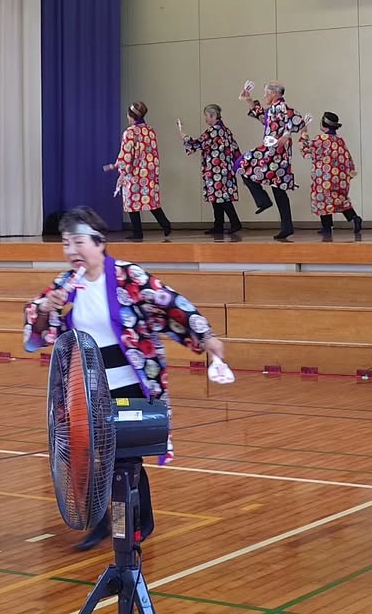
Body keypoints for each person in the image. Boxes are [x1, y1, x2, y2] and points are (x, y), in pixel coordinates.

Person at [24, 207, 235, 550]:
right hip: (87, 386)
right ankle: (100, 522)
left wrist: (206, 336)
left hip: (128, 384)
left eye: (78, 242)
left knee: (122, 457)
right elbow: (37, 325)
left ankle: (135, 524)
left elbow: (172, 302)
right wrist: (47, 308)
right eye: (65, 244)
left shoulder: (127, 275)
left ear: (99, 242)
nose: (71, 250)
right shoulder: (65, 285)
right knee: (84, 454)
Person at [236, 81, 307, 242]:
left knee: (242, 164)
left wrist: (287, 136)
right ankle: (284, 224)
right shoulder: (274, 109)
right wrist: (248, 100)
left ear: (274, 93)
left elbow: (301, 124)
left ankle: (264, 201)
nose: (264, 96)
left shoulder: (284, 109)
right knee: (277, 188)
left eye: (266, 93)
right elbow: (263, 118)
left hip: (276, 154)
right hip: (273, 153)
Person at [104, 101, 172, 242]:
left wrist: (120, 171)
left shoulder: (130, 132)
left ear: (131, 116)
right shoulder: (150, 130)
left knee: (132, 201)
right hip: (149, 171)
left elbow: (126, 154)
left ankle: (138, 232)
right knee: (150, 199)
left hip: (134, 171)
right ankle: (165, 224)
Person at [178, 105, 242, 237]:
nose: (206, 119)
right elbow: (235, 148)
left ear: (213, 116)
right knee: (219, 198)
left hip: (216, 169)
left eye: (206, 116)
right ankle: (219, 225)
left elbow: (198, 144)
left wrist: (184, 136)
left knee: (222, 198)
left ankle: (234, 223)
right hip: (224, 168)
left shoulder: (214, 131)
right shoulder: (225, 130)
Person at [299, 112, 362, 240]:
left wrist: (303, 132)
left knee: (323, 199)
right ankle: (354, 218)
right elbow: (347, 156)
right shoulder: (339, 140)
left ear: (324, 124)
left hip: (324, 176)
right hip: (340, 176)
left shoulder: (321, 139)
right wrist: (350, 171)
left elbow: (305, 147)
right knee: (340, 199)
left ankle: (327, 227)